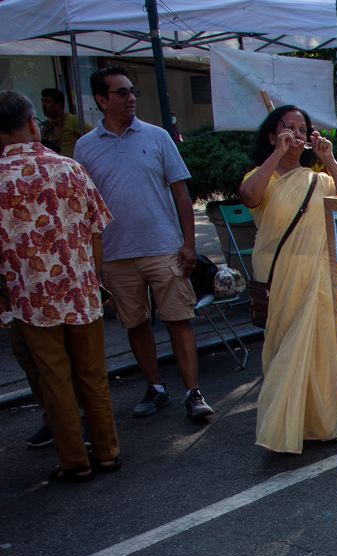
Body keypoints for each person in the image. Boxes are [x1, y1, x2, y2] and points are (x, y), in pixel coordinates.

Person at [73, 65, 215, 420]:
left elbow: (181, 193)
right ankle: (155, 388)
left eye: (132, 90)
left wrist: (189, 243)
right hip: (116, 253)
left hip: (163, 246)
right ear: (101, 100)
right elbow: (82, 207)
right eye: (121, 93)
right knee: (134, 324)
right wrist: (92, 261)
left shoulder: (157, 136)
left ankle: (193, 393)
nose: (131, 98)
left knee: (178, 319)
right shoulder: (85, 147)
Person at [0, 90, 120, 483]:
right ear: (33, 123)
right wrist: (93, 278)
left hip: (31, 298)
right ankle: (106, 453)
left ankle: (75, 462)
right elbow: (97, 231)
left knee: (54, 379)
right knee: (92, 374)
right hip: (81, 289)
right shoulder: (68, 167)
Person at [239, 106, 337, 454]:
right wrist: (277, 154)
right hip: (278, 270)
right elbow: (249, 197)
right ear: (272, 135)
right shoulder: (262, 175)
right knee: (282, 343)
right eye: (288, 128)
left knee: (321, 345)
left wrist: (329, 159)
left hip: (318, 270)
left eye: (303, 127)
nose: (297, 133)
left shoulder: (320, 178)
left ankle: (325, 422)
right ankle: (284, 420)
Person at [39, 87, 89, 158]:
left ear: (59, 104)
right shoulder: (44, 125)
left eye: (47, 102)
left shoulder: (72, 120)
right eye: (42, 101)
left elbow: (93, 137)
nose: (43, 105)